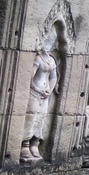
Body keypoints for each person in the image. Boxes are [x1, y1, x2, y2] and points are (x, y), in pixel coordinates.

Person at [21, 31, 58, 162]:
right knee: (31, 117)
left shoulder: (51, 60)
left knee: (41, 118)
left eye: (51, 41)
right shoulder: (38, 58)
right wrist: (36, 88)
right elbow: (31, 75)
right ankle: (25, 144)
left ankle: (35, 143)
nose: (48, 44)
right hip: (35, 91)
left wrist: (49, 89)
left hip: (45, 94)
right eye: (47, 41)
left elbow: (53, 77)